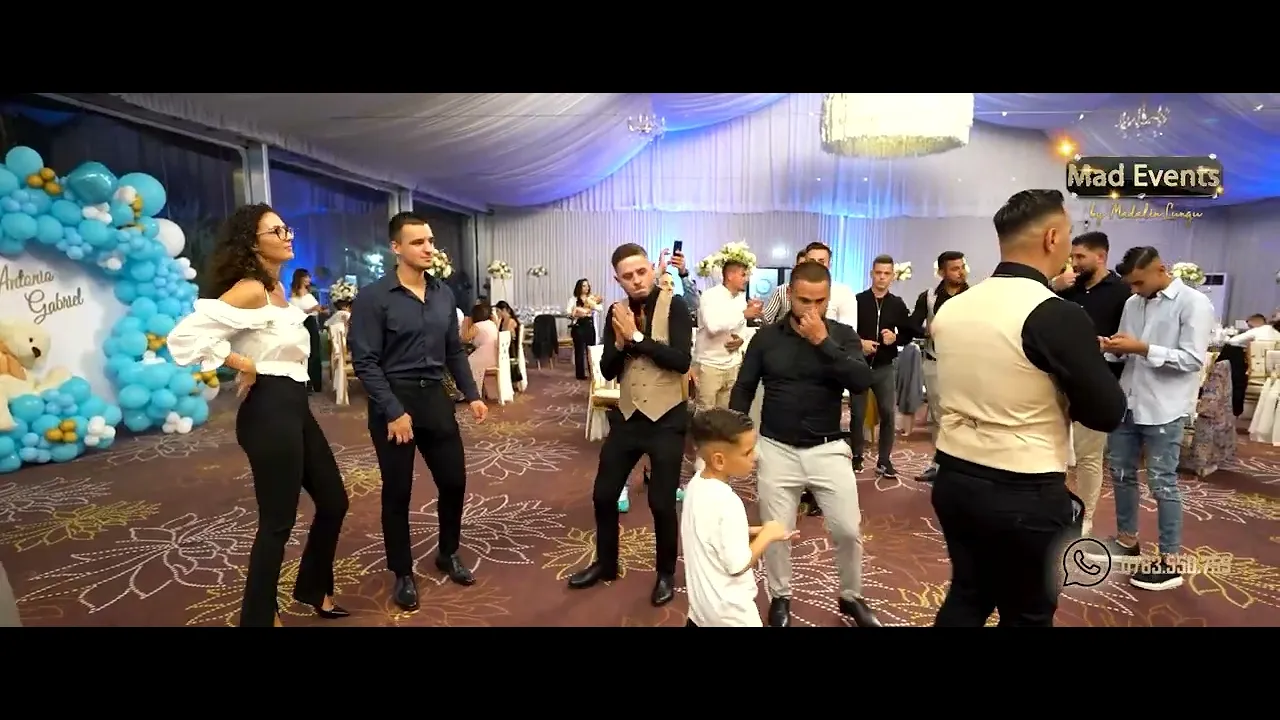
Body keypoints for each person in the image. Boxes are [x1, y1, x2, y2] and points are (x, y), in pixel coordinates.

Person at [929, 189, 1125, 627]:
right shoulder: (1054, 313)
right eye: (1069, 234)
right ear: (1052, 237)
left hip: (955, 476)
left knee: (968, 595)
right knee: (1029, 613)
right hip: (1022, 488)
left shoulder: (953, 308)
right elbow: (1107, 412)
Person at [168, 203, 351, 627]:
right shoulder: (250, 288)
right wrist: (242, 362)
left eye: (287, 229)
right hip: (269, 410)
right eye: (276, 231)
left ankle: (313, 588)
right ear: (252, 243)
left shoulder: (278, 290)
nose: (287, 236)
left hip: (294, 406)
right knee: (277, 522)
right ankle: (259, 617)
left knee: (333, 501)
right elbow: (184, 337)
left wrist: (256, 361)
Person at [729, 260, 880, 628]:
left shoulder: (842, 335)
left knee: (847, 529)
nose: (812, 308)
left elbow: (862, 380)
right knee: (776, 531)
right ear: (789, 295)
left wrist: (822, 342)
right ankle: (780, 595)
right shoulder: (767, 338)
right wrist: (734, 435)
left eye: (820, 301)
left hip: (828, 448)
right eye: (804, 300)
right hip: (776, 448)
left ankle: (851, 595)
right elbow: (744, 387)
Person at [349, 211, 488, 611]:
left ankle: (447, 552)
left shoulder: (443, 294)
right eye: (418, 242)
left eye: (430, 241)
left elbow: (453, 351)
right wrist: (393, 410)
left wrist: (472, 394)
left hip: (435, 400)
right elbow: (366, 362)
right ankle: (402, 572)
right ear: (396, 247)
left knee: (454, 482)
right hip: (393, 401)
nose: (429, 248)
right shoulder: (374, 297)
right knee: (398, 491)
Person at [567, 243, 692, 607]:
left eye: (641, 272)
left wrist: (637, 338)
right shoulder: (615, 312)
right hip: (627, 418)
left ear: (652, 269)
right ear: (617, 279)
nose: (636, 280)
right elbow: (608, 370)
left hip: (666, 419)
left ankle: (665, 573)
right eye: (627, 276)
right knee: (604, 495)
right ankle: (606, 564)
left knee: (661, 502)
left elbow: (681, 361)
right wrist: (621, 344)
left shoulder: (675, 305)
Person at [1097, 246, 1213, 592]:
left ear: (1161, 269)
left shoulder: (1193, 303)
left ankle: (1170, 561)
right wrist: (1113, 348)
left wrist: (1143, 349)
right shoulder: (1133, 303)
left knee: (1162, 482)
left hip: (1166, 406)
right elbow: (1127, 352)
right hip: (1129, 401)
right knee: (1121, 475)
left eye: (1139, 282)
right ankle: (1127, 540)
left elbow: (1193, 360)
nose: (1135, 290)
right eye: (1131, 284)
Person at [681, 408, 798, 627]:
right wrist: (767, 535)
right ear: (719, 460)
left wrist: (752, 530)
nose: (755, 456)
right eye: (747, 452)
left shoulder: (696, 485)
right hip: (731, 614)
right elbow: (738, 564)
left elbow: (710, 532)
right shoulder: (728, 502)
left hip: (701, 607)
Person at [1049, 231, 1132, 536]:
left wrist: (1109, 346)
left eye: (1081, 256)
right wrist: (1052, 287)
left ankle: (1085, 517)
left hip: (1097, 382)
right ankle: (1054, 509)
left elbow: (1129, 341)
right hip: (1058, 380)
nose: (1075, 262)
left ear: (1101, 256)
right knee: (1051, 450)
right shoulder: (1066, 288)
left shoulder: (1123, 292)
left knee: (1088, 457)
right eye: (1072, 256)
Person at [851, 254, 914, 477]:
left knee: (888, 413)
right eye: (878, 273)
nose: (882, 277)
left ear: (892, 276)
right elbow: (845, 331)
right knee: (857, 414)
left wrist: (895, 338)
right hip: (859, 365)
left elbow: (908, 332)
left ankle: (884, 460)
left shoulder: (897, 304)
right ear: (871, 274)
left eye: (886, 274)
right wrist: (860, 343)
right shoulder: (857, 300)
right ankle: (856, 456)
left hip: (884, 367)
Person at [909, 250, 970, 482]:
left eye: (962, 267)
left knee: (965, 416)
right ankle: (938, 464)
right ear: (942, 272)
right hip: (935, 362)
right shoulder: (929, 297)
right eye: (954, 268)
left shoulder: (973, 296)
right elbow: (912, 324)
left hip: (966, 364)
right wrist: (926, 330)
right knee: (938, 416)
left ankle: (963, 466)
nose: (960, 272)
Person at [694, 259, 760, 411]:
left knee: (726, 415)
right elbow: (713, 326)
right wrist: (743, 314)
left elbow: (741, 330)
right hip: (709, 366)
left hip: (732, 365)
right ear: (730, 275)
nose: (746, 279)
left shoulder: (740, 298)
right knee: (705, 415)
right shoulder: (710, 296)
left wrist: (741, 340)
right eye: (743, 275)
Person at [797, 242, 858, 329]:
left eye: (821, 262)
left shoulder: (844, 292)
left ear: (829, 265)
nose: (816, 265)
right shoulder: (795, 290)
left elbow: (849, 330)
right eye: (812, 261)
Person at [288, 268, 325, 392]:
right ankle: (306, 383)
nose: (309, 279)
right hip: (302, 324)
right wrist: (311, 310)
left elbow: (315, 309)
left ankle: (317, 383)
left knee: (315, 352)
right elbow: (295, 312)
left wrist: (321, 310)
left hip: (312, 323)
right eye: (306, 277)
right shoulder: (294, 295)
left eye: (309, 277)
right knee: (305, 354)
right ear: (300, 278)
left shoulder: (310, 293)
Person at [464, 300, 499, 399]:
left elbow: (464, 338)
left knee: (464, 365)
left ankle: (470, 393)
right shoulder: (491, 324)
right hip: (495, 356)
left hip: (485, 356)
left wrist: (466, 323)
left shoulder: (478, 326)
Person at [761, 250, 808, 324]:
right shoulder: (781, 290)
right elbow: (767, 319)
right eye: (801, 266)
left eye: (808, 266)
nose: (804, 269)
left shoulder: (823, 293)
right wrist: (758, 314)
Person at [567, 279, 601, 379]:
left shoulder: (591, 298)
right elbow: (569, 313)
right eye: (584, 286)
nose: (586, 288)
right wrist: (578, 314)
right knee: (579, 351)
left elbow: (600, 308)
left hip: (589, 327)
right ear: (579, 287)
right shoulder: (573, 299)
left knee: (591, 350)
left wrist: (592, 305)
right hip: (578, 327)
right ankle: (580, 374)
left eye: (587, 285)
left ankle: (593, 372)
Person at [494, 300, 524, 386]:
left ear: (504, 310)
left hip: (511, 347)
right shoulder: (502, 321)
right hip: (506, 346)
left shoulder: (511, 321)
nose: (497, 313)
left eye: (498, 311)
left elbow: (506, 336)